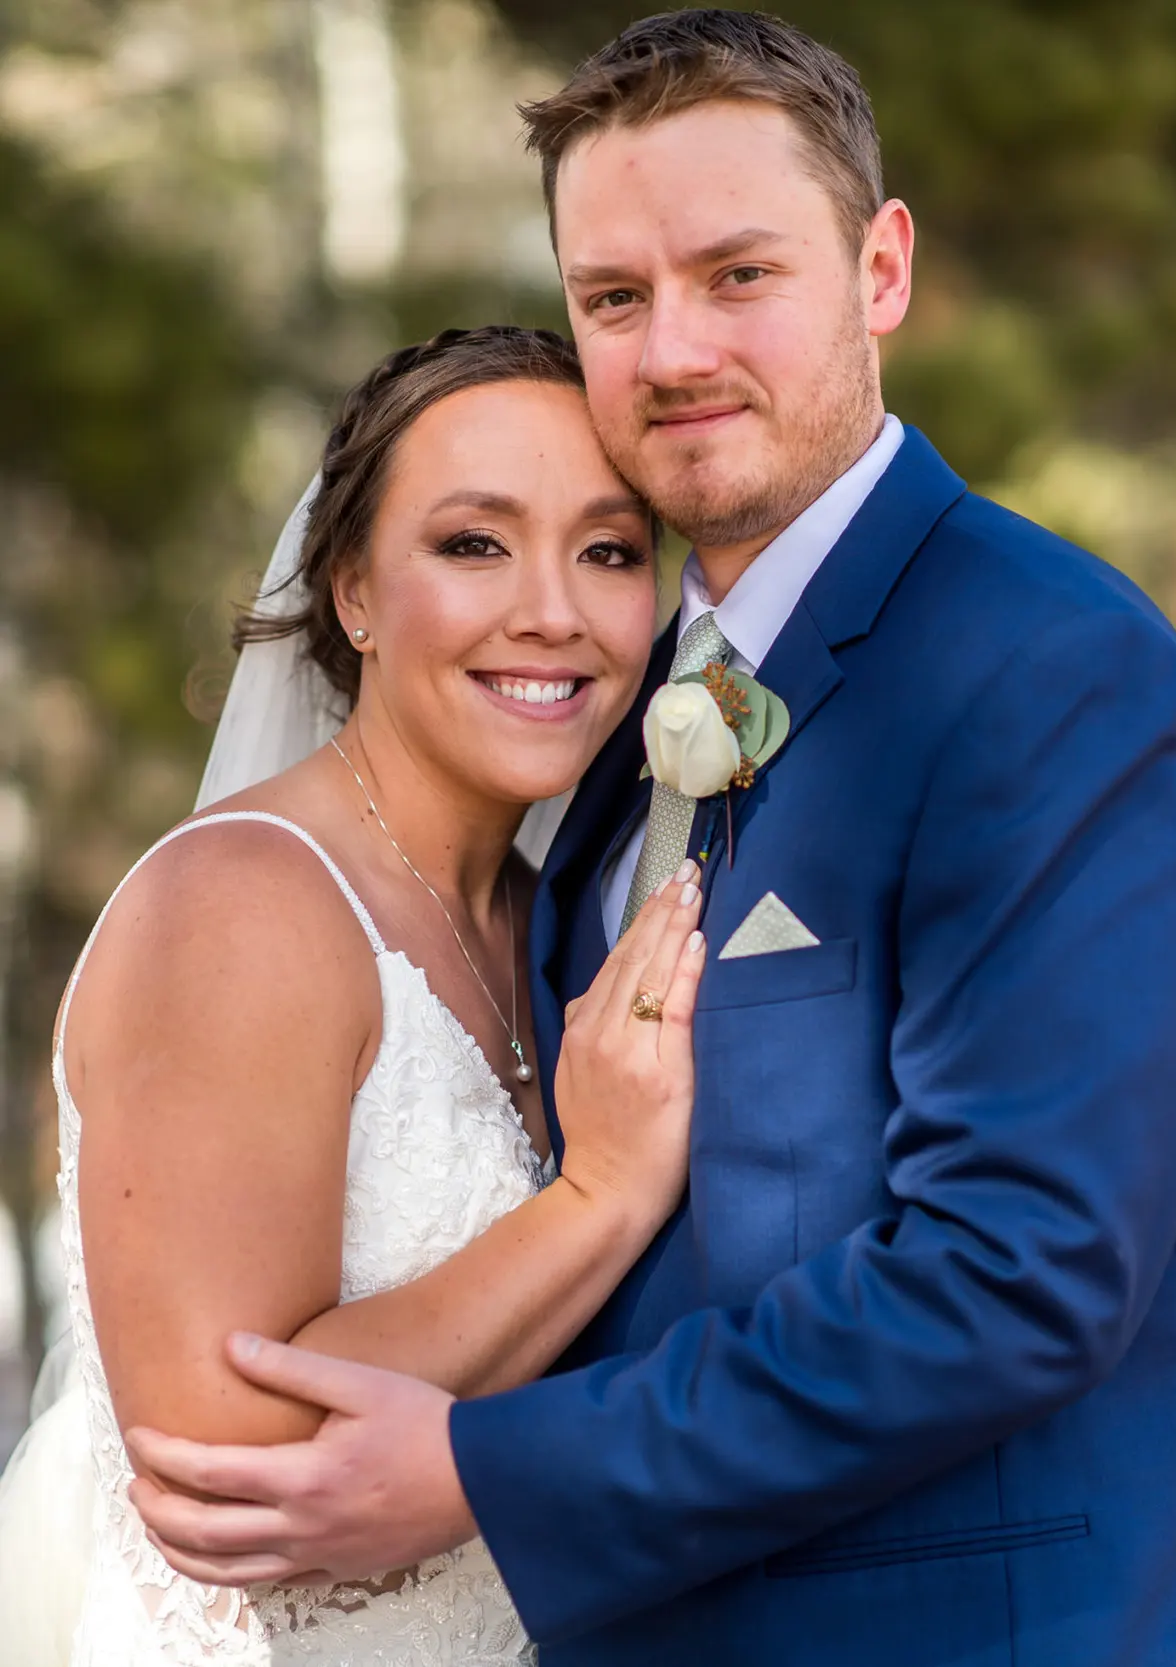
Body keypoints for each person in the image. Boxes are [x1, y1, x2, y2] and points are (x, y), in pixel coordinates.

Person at [16, 12, 1176, 1665]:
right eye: (614, 296)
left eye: (738, 275)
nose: (671, 352)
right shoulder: (609, 746)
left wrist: (484, 1471)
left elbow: (1019, 1273)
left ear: (881, 271)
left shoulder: (1052, 673)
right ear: (355, 591)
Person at [0, 324, 704, 1663]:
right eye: (474, 543)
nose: (552, 606)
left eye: (609, 550)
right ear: (354, 591)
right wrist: (600, 1197)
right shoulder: (247, 906)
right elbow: (213, 1441)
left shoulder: (553, 908)